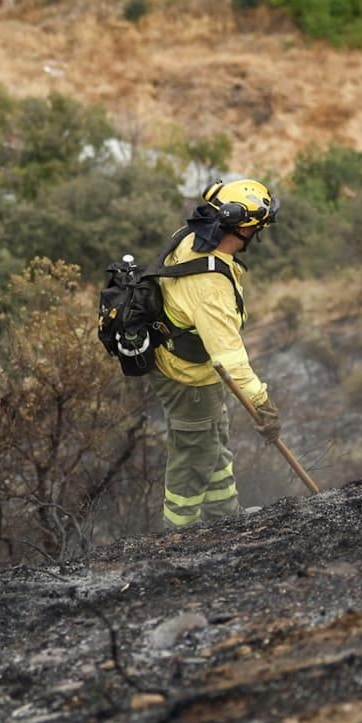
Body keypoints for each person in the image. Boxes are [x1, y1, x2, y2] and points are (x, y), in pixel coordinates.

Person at [148, 180, 280, 530]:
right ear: (244, 227)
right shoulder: (210, 286)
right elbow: (229, 358)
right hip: (188, 378)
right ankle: (178, 533)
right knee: (194, 456)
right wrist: (262, 404)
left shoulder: (194, 237)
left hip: (195, 372)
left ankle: (224, 516)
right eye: (258, 227)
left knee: (213, 441)